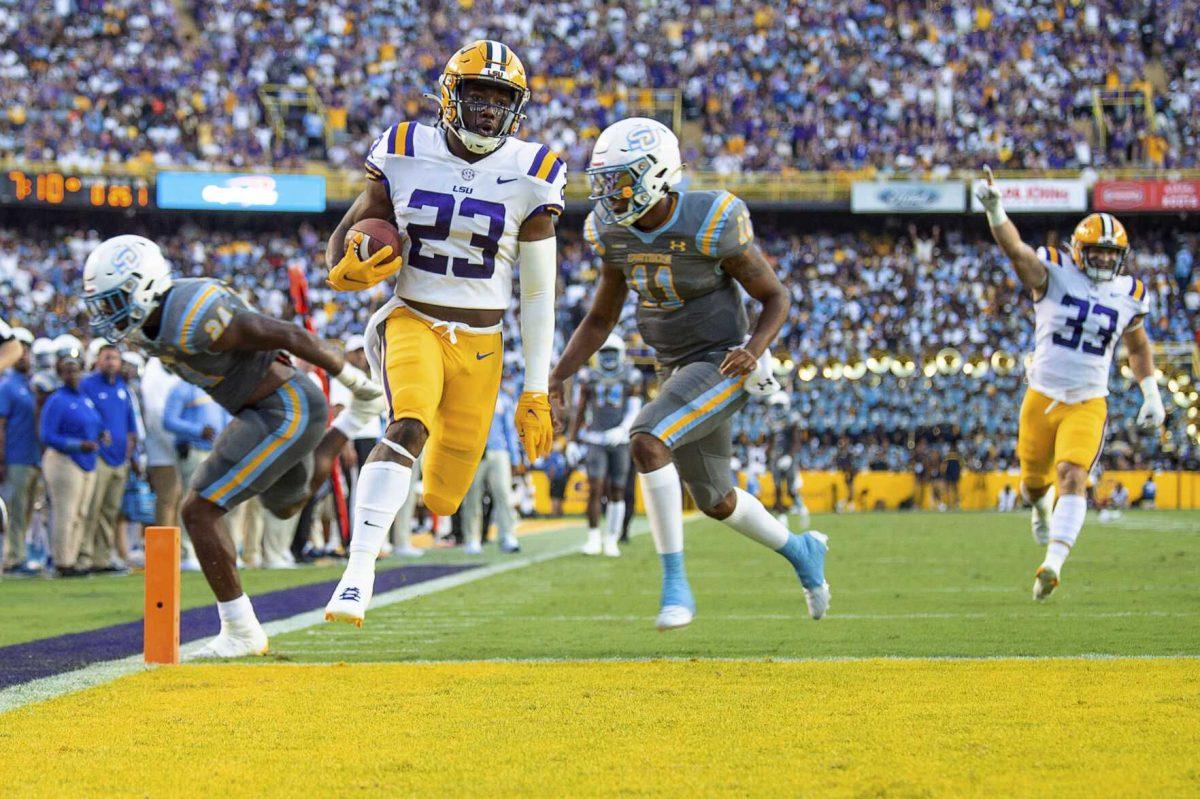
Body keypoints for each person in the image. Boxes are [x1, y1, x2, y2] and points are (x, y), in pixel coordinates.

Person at [550, 117, 829, 631]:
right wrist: (558, 374)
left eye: (621, 180)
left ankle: (675, 583)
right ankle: (802, 552)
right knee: (716, 500)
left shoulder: (710, 218)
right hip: (673, 366)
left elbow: (775, 296)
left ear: (656, 174)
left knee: (647, 439)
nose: (609, 192)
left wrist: (754, 348)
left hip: (722, 358)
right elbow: (601, 317)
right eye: (604, 181)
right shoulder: (612, 231)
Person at [323, 39, 564, 625]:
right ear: (450, 97)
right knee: (407, 421)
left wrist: (536, 386)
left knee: (443, 495)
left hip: (482, 345)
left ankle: (409, 523)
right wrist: (342, 269)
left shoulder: (535, 172)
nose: (486, 109)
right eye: (476, 94)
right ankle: (358, 573)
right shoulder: (405, 149)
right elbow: (349, 234)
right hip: (414, 320)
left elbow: (536, 292)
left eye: (498, 98)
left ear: (516, 108)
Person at [83, 234, 385, 657]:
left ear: (144, 285)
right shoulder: (148, 325)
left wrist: (359, 385)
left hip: (286, 406)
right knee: (284, 505)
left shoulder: (197, 314)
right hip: (256, 411)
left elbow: (290, 334)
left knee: (198, 509)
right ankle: (348, 427)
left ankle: (241, 630)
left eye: (114, 302)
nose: (107, 316)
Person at [976, 167, 1165, 601]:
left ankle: (1053, 563)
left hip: (1088, 401)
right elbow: (1017, 252)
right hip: (1041, 396)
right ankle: (1040, 508)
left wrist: (1150, 390)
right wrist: (995, 209)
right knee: (1033, 486)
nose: (1101, 260)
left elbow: (1137, 346)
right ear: (1079, 251)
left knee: (1073, 475)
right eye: (1094, 252)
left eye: (1108, 253)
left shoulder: (1131, 292)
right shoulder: (1055, 271)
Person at [567, 333, 641, 557]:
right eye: (605, 352)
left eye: (612, 352)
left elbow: (635, 407)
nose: (608, 357)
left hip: (620, 439)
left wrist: (624, 429)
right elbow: (580, 409)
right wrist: (571, 439)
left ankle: (612, 538)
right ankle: (593, 538)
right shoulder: (589, 376)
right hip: (596, 438)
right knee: (595, 489)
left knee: (618, 489)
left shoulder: (632, 376)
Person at [39, 346, 106, 577]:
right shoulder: (57, 400)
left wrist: (100, 435)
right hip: (64, 461)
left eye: (76, 370)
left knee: (81, 513)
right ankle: (62, 562)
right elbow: (47, 435)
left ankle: (74, 558)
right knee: (65, 513)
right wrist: (77, 445)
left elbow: (94, 425)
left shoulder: (84, 399)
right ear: (60, 374)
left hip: (87, 460)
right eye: (67, 371)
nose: (73, 375)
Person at [78, 343, 139, 573]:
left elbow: (130, 424)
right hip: (99, 457)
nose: (112, 362)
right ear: (97, 360)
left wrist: (130, 453)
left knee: (110, 511)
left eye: (115, 358)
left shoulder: (123, 387)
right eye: (107, 358)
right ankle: (83, 557)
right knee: (92, 508)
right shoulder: (88, 385)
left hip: (120, 459)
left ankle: (101, 558)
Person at [163, 378, 232, 571]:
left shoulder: (216, 386)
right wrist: (198, 430)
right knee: (191, 502)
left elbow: (225, 417)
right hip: (192, 450)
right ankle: (187, 552)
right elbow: (168, 421)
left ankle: (214, 551)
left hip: (216, 451)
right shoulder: (182, 387)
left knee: (217, 505)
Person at [459, 386, 522, 554]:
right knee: (472, 496)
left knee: (503, 494)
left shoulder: (503, 398)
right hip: (474, 451)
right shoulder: (468, 395)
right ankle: (472, 539)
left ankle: (507, 535)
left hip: (498, 450)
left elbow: (509, 429)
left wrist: (515, 457)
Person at [0, 328, 40, 574]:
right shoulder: (7, 385)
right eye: (21, 351)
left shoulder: (30, 384)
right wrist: (1, 458)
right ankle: (13, 558)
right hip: (15, 456)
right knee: (15, 510)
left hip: (32, 456)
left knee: (25, 511)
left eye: (27, 351)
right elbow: (1, 424)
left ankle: (20, 553)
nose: (24, 356)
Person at [140, 357, 182, 528]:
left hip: (181, 450)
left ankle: (178, 551)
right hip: (163, 453)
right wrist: (174, 445)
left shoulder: (177, 369)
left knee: (180, 502)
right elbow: (155, 415)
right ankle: (163, 553)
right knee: (167, 502)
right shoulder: (154, 371)